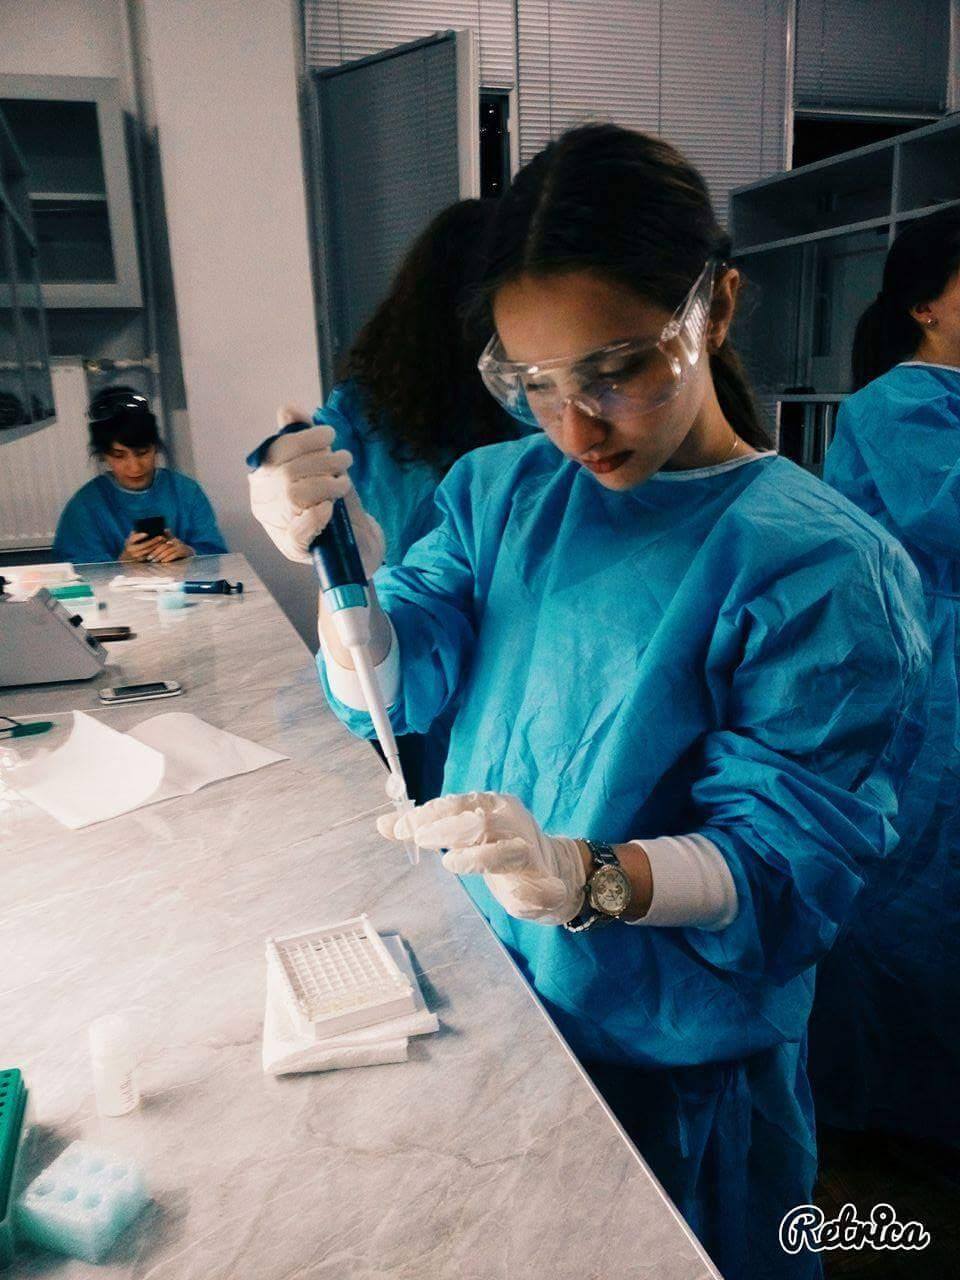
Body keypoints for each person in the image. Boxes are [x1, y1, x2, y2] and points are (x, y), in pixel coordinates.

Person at [249, 125, 929, 1279]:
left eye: (616, 371)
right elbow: (397, 680)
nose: (575, 427)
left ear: (716, 306)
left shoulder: (816, 566)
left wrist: (586, 875)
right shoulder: (501, 488)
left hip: (675, 1061)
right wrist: (335, 568)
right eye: (535, 384)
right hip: (505, 995)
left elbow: (782, 863)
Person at [252, 199, 527, 801]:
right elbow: (319, 462)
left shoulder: (538, 444)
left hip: (491, 672)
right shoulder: (376, 418)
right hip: (412, 646)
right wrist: (293, 486)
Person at [809, 206, 960, 1146]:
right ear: (924, 306)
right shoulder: (900, 404)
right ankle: (895, 1119)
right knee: (915, 888)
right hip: (927, 688)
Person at [53, 388, 227, 565]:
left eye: (143, 453)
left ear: (156, 448)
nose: (135, 467)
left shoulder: (187, 492)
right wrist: (122, 563)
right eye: (119, 456)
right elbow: (76, 570)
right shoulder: (85, 506)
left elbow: (216, 556)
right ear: (103, 456)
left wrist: (189, 553)